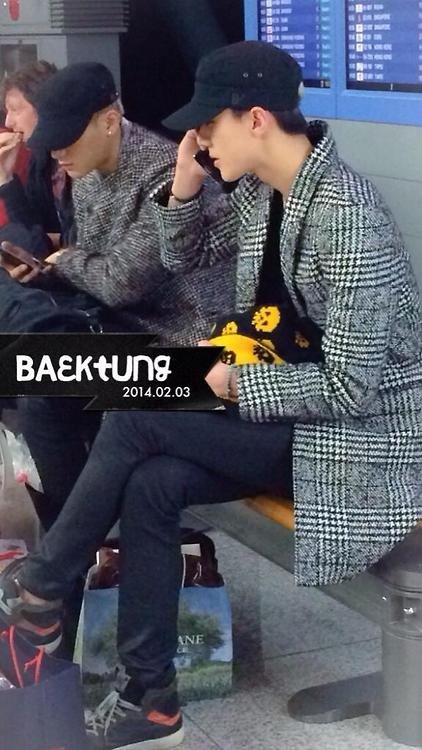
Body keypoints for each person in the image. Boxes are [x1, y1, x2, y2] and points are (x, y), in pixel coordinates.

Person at [1, 40, 422, 750]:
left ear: (255, 118)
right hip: (281, 400)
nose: (195, 140)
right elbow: (185, 257)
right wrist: (183, 189)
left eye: (208, 125)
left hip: (359, 440)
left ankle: (43, 591)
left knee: (134, 416)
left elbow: (351, 389)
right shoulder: (265, 191)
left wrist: (232, 380)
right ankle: (151, 698)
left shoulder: (347, 216)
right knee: (154, 483)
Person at [0, 61, 235, 528]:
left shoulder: (164, 172)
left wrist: (62, 262)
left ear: (109, 121)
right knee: (34, 383)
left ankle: (71, 551)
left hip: (192, 357)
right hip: (124, 332)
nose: (57, 153)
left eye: (67, 139)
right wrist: (49, 273)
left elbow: (118, 281)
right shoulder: (86, 167)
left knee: (36, 377)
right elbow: (97, 272)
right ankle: (76, 548)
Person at [0, 60, 73, 254]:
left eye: (15, 110)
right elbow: (30, 234)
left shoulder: (80, 157)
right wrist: (5, 177)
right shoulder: (41, 157)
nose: (8, 122)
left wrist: (52, 241)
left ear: (44, 108)